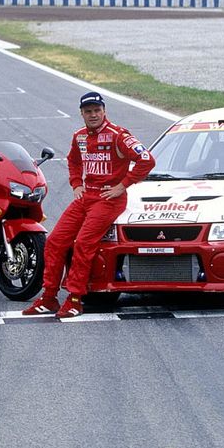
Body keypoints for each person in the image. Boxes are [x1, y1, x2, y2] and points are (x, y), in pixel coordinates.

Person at [23, 91, 156, 318]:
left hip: (109, 199)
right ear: (82, 113)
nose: (93, 115)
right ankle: (49, 297)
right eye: (88, 111)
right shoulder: (80, 136)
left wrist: (123, 185)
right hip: (86, 197)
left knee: (83, 244)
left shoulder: (118, 135)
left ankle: (75, 299)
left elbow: (146, 160)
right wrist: (76, 184)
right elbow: (73, 160)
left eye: (97, 110)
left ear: (104, 111)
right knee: (54, 242)